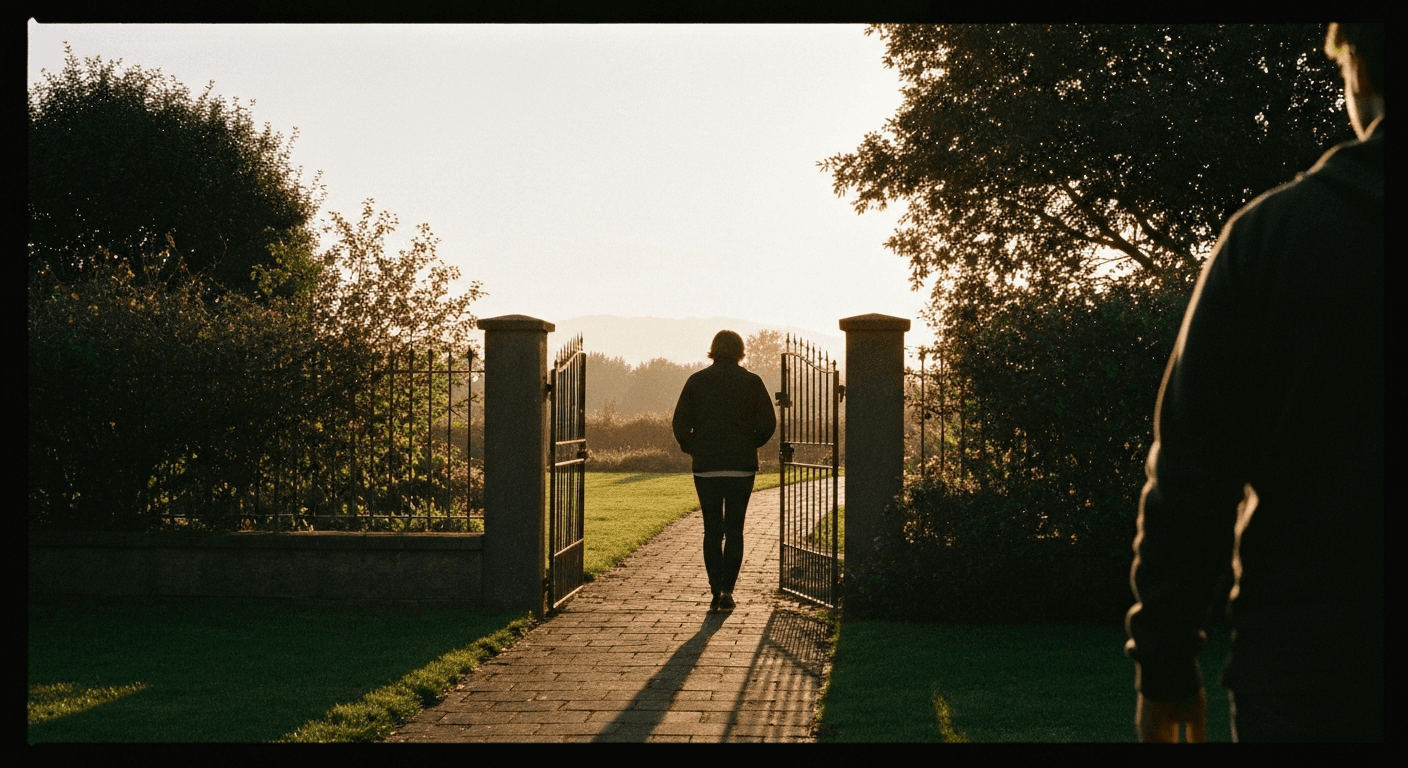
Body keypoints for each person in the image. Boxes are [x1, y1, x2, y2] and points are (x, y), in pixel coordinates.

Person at [1124, 23, 1383, 743]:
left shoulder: (1272, 238)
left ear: (1358, 70)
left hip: (1312, 673)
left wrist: (1165, 666)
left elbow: (1193, 470)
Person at [672, 330, 777, 613]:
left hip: (706, 467)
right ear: (740, 351)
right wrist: (750, 443)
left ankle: (715, 589)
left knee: (711, 530)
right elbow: (768, 423)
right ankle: (728, 591)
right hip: (741, 467)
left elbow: (680, 422)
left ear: (713, 349)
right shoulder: (752, 382)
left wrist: (693, 447)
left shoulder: (696, 381)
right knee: (735, 530)